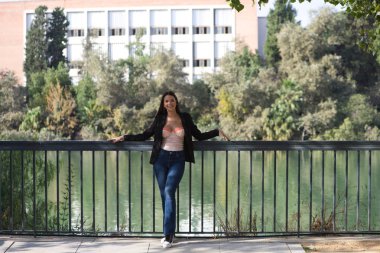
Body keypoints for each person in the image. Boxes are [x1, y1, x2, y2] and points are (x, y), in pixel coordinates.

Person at [110, 91, 229, 248]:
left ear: (176, 102)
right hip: (161, 159)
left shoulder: (185, 118)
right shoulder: (159, 119)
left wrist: (217, 132)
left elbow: (198, 136)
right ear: (163, 103)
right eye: (166, 101)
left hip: (178, 159)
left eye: (172, 100)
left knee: (169, 192)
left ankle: (168, 236)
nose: (169, 103)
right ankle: (170, 232)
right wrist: (124, 137)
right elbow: (145, 135)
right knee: (164, 195)